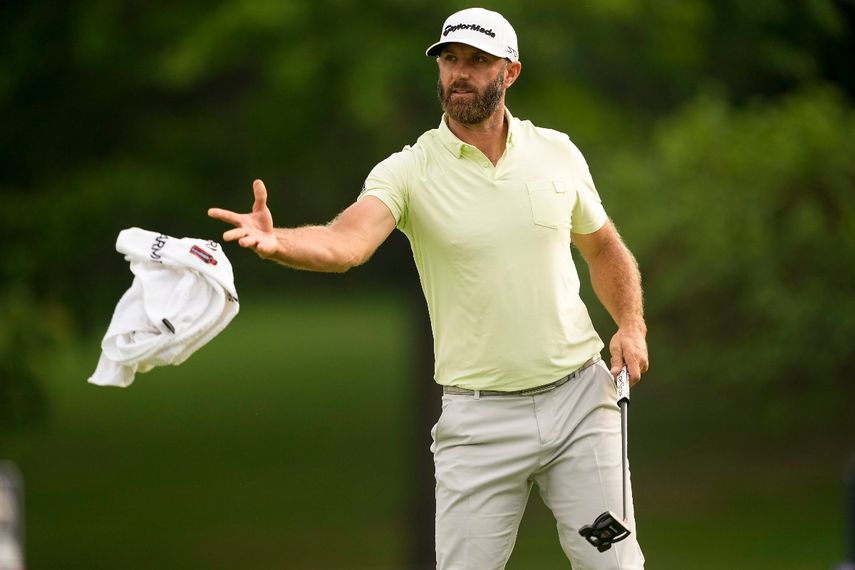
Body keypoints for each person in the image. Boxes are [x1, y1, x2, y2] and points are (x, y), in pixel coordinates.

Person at [208, 7, 648, 569]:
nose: (459, 73)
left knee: (614, 564)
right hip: (480, 420)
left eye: (477, 61)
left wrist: (630, 324)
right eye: (450, 59)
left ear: (510, 72)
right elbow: (348, 243)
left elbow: (604, 247)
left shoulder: (556, 151)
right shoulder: (408, 170)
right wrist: (280, 242)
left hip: (581, 404)